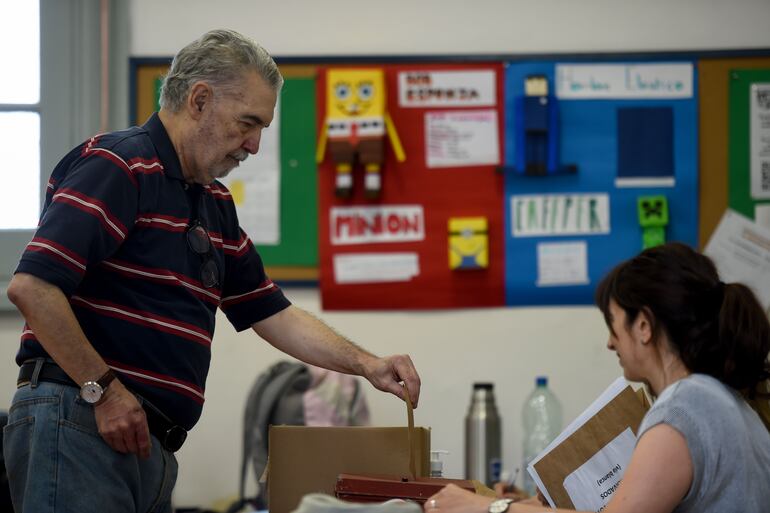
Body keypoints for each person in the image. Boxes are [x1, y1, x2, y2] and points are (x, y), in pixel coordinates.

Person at [4, 29, 420, 513]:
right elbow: (33, 286)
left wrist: (367, 364)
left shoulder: (212, 201)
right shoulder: (120, 165)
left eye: (262, 127)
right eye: (248, 122)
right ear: (199, 100)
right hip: (83, 420)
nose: (255, 145)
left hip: (144, 439)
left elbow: (272, 313)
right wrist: (104, 393)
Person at [424, 242, 770, 513]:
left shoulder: (684, 407)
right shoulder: (724, 401)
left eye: (614, 324)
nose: (609, 342)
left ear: (644, 326)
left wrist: (485, 507)